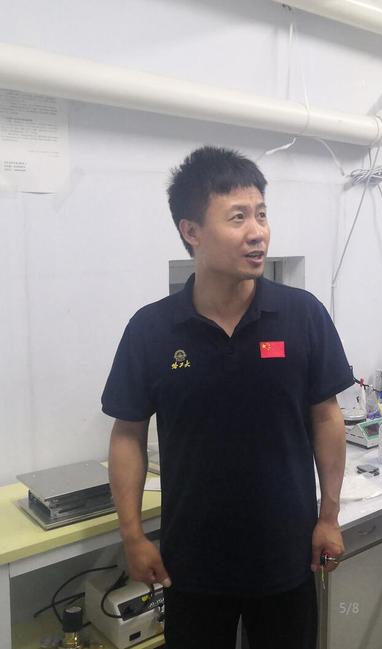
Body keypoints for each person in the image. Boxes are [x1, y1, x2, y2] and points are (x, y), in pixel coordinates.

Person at [102, 146, 353, 649]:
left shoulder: (302, 315)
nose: (257, 232)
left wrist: (329, 517)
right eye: (238, 217)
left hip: (285, 555)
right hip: (192, 562)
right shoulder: (151, 329)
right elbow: (127, 435)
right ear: (191, 230)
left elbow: (327, 418)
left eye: (261, 214)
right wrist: (133, 536)